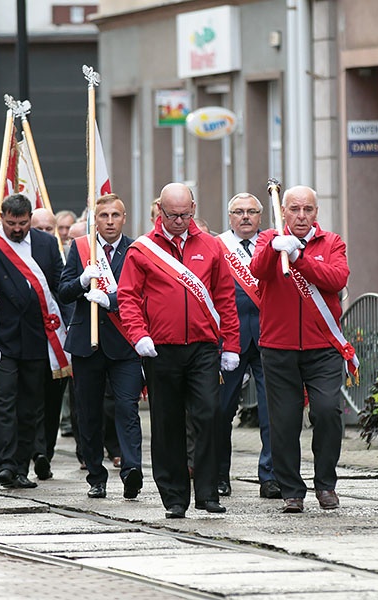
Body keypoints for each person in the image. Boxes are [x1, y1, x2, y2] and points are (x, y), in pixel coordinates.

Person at [118, 182, 240, 518]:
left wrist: (231, 344)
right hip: (161, 349)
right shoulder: (142, 250)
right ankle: (174, 496)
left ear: (194, 208)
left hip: (202, 347)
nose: (180, 220)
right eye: (173, 215)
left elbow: (225, 297)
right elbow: (127, 296)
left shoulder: (211, 246)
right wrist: (138, 335)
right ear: (160, 210)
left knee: (209, 414)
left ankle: (207, 491)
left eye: (186, 214)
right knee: (167, 422)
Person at [251, 185, 352, 514]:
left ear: (316, 213)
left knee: (326, 411)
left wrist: (300, 258)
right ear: (283, 212)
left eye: (307, 210)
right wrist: (274, 250)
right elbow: (258, 271)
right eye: (294, 209)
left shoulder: (332, 242)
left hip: (322, 346)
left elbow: (336, 279)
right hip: (278, 347)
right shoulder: (269, 239)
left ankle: (326, 484)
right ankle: (291, 490)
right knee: (283, 421)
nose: (301, 216)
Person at [0, 193, 67, 489]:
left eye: (23, 223)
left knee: (29, 408)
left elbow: (58, 286)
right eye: (12, 223)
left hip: (38, 338)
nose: (17, 229)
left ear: (30, 219)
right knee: (2, 405)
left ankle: (21, 467)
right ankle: (4, 465)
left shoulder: (46, 243)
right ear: (1, 218)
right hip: (0, 338)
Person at [58, 193, 143, 500]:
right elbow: (63, 292)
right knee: (89, 413)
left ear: (124, 218)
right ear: (96, 219)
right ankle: (96, 474)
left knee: (127, 408)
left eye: (115, 216)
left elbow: (143, 295)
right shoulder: (81, 248)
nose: (109, 222)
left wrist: (112, 300)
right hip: (87, 344)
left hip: (125, 343)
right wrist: (82, 282)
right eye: (104, 216)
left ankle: (132, 469)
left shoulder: (136, 249)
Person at [215, 192, 278, 499]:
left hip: (269, 336)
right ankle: (218, 475)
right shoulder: (217, 247)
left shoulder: (274, 244)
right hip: (230, 339)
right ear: (229, 217)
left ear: (260, 217)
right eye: (238, 212)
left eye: (251, 211)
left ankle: (270, 476)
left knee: (272, 411)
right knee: (222, 410)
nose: (245, 217)